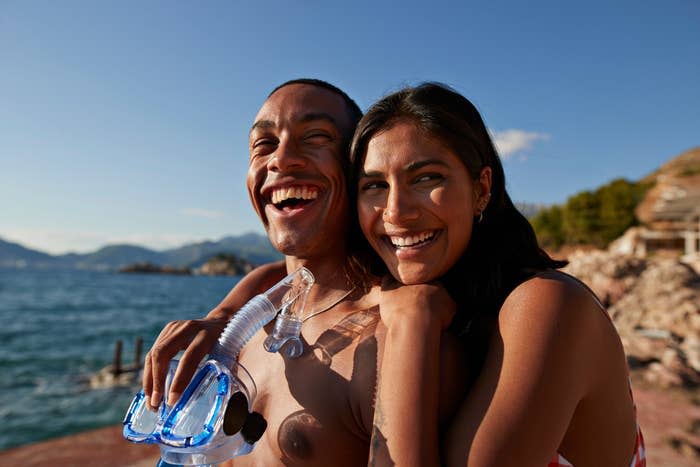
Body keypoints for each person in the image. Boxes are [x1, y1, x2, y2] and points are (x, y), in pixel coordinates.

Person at [141, 79, 466, 466]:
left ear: (357, 167)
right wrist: (222, 317)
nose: (281, 159)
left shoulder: (399, 341)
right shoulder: (244, 318)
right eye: (264, 145)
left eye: (315, 137)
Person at [350, 82, 646, 466]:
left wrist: (412, 323)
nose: (396, 211)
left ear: (481, 189)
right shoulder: (448, 305)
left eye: (426, 178)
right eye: (375, 185)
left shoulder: (547, 305)